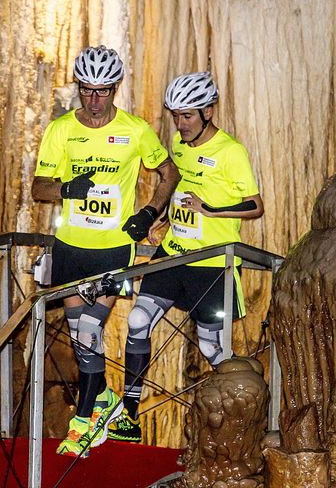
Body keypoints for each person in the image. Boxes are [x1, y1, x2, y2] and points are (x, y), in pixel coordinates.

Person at [32, 45, 180, 457]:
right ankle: (105, 402)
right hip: (70, 248)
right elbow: (38, 187)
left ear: (115, 89)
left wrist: (151, 210)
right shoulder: (61, 129)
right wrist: (67, 189)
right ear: (78, 88)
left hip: (111, 249)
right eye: (86, 90)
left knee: (89, 331)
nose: (94, 100)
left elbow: (170, 172)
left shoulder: (135, 130)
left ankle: (83, 423)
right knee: (82, 340)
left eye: (102, 92)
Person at [108, 71, 264, 444]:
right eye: (175, 115)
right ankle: (128, 416)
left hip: (212, 264)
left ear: (208, 112)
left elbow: (255, 206)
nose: (180, 123)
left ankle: (242, 421)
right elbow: (180, 184)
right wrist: (159, 218)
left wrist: (210, 209)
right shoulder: (179, 143)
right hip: (174, 254)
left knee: (213, 349)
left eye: (188, 115)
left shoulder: (231, 151)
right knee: (138, 321)